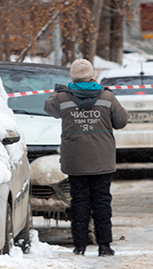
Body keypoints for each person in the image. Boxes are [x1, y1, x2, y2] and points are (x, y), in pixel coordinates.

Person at [45, 58, 128, 257]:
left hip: (75, 161)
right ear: (92, 75)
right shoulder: (107, 96)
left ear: (73, 77)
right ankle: (105, 245)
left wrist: (56, 93)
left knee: (79, 202)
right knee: (102, 203)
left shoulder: (63, 98)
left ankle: (79, 246)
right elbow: (122, 121)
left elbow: (49, 109)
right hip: (102, 160)